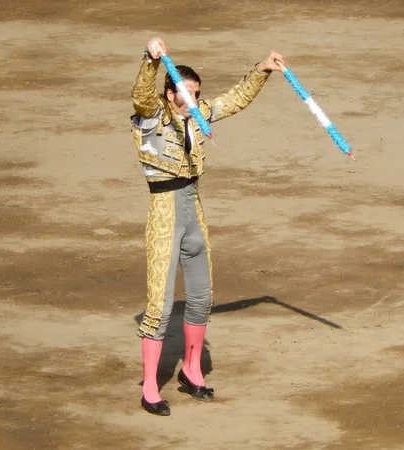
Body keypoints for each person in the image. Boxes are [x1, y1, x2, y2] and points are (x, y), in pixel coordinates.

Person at [130, 36, 285, 416]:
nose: (194, 100)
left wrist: (262, 69)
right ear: (170, 94)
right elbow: (141, 94)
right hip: (165, 209)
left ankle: (192, 371)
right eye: (186, 93)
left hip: (192, 206)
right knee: (160, 305)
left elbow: (234, 100)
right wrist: (150, 61)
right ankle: (150, 386)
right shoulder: (152, 116)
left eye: (197, 93)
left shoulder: (197, 115)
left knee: (201, 297)